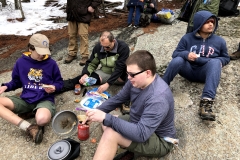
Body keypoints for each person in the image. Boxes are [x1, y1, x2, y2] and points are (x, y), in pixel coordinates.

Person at [83, 50, 177, 160]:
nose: (128, 78)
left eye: (132, 74)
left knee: (110, 132)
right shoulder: (135, 81)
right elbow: (118, 99)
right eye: (127, 73)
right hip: (138, 121)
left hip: (161, 139)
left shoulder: (158, 98)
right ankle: (129, 148)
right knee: (105, 122)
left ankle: (126, 146)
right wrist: (96, 112)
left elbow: (141, 134)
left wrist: (105, 117)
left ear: (147, 73)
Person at [163, 10, 230, 121]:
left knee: (215, 62)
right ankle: (161, 86)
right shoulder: (187, 38)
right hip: (188, 71)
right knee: (178, 59)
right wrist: (186, 54)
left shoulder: (220, 41)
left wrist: (210, 61)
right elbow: (175, 53)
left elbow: (226, 58)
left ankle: (206, 103)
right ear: (199, 23)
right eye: (207, 22)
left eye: (212, 22)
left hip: (206, 72)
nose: (211, 24)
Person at [0, 34, 63, 144]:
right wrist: (6, 86)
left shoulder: (51, 63)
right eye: (39, 52)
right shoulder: (21, 62)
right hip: (26, 99)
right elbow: (16, 82)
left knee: (41, 119)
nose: (42, 55)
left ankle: (35, 112)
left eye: (45, 52)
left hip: (45, 99)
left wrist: (55, 87)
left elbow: (59, 82)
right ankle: (29, 127)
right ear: (31, 48)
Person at [61, 31, 130, 94]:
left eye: (107, 47)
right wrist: (85, 74)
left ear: (113, 41)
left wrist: (108, 84)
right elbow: (92, 63)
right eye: (103, 46)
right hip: (105, 73)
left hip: (120, 76)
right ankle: (58, 86)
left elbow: (120, 68)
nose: (105, 49)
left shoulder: (123, 48)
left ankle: (126, 102)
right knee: (81, 80)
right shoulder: (99, 47)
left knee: (130, 85)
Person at [64, 0, 101, 65]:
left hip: (83, 14)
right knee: (71, 35)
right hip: (71, 13)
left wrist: (92, 6)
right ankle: (72, 53)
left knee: (83, 35)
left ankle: (84, 56)